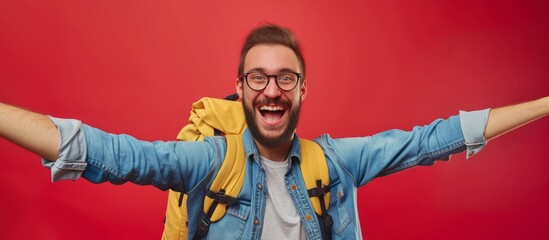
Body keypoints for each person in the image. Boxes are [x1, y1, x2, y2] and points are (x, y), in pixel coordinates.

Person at [0, 24, 547, 240]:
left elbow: (434, 140)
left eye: (286, 77)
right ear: (240, 90)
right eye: (258, 77)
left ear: (303, 90)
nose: (272, 89)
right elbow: (113, 155)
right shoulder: (210, 162)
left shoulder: (334, 162)